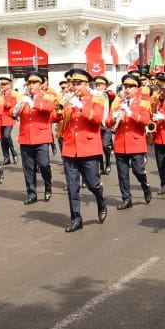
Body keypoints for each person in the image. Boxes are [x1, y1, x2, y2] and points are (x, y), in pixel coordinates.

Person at [58, 68, 108, 233]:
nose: (74, 86)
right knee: (73, 187)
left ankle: (100, 199)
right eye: (73, 83)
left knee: (92, 184)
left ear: (87, 84)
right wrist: (60, 109)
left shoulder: (97, 98)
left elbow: (98, 119)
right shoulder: (67, 98)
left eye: (78, 83)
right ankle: (76, 219)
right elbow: (54, 117)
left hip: (88, 147)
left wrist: (81, 106)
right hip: (70, 148)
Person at [108, 72, 153, 209]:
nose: (127, 89)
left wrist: (130, 113)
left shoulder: (143, 103)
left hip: (136, 141)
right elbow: (108, 122)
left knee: (138, 170)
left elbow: (146, 121)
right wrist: (114, 117)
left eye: (131, 86)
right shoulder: (118, 102)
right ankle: (126, 199)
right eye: (125, 86)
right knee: (122, 173)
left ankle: (145, 186)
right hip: (121, 142)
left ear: (137, 88)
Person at [14, 70, 57, 204]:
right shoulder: (22, 97)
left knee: (44, 164)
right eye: (30, 82)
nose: (31, 85)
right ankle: (31, 193)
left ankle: (48, 186)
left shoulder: (47, 96)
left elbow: (50, 108)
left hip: (41, 136)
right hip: (26, 136)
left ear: (41, 83)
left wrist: (33, 103)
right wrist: (16, 108)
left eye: (35, 82)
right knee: (28, 167)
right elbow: (13, 112)